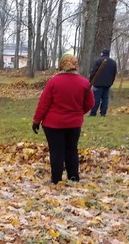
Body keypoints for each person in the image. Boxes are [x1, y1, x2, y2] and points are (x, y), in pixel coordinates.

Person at [32, 54, 95, 184]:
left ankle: (56, 180)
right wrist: (78, 113)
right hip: (74, 124)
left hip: (53, 124)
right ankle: (73, 178)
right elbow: (90, 103)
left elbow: (44, 103)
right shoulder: (84, 83)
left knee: (56, 152)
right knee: (72, 150)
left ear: (61, 65)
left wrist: (36, 121)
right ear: (75, 65)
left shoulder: (54, 82)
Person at [89, 48, 117, 117]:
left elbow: (93, 72)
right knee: (105, 99)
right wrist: (111, 82)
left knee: (96, 99)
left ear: (102, 53)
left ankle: (93, 113)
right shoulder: (113, 62)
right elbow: (114, 73)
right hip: (108, 83)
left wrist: (90, 80)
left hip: (98, 83)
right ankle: (103, 113)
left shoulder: (98, 61)